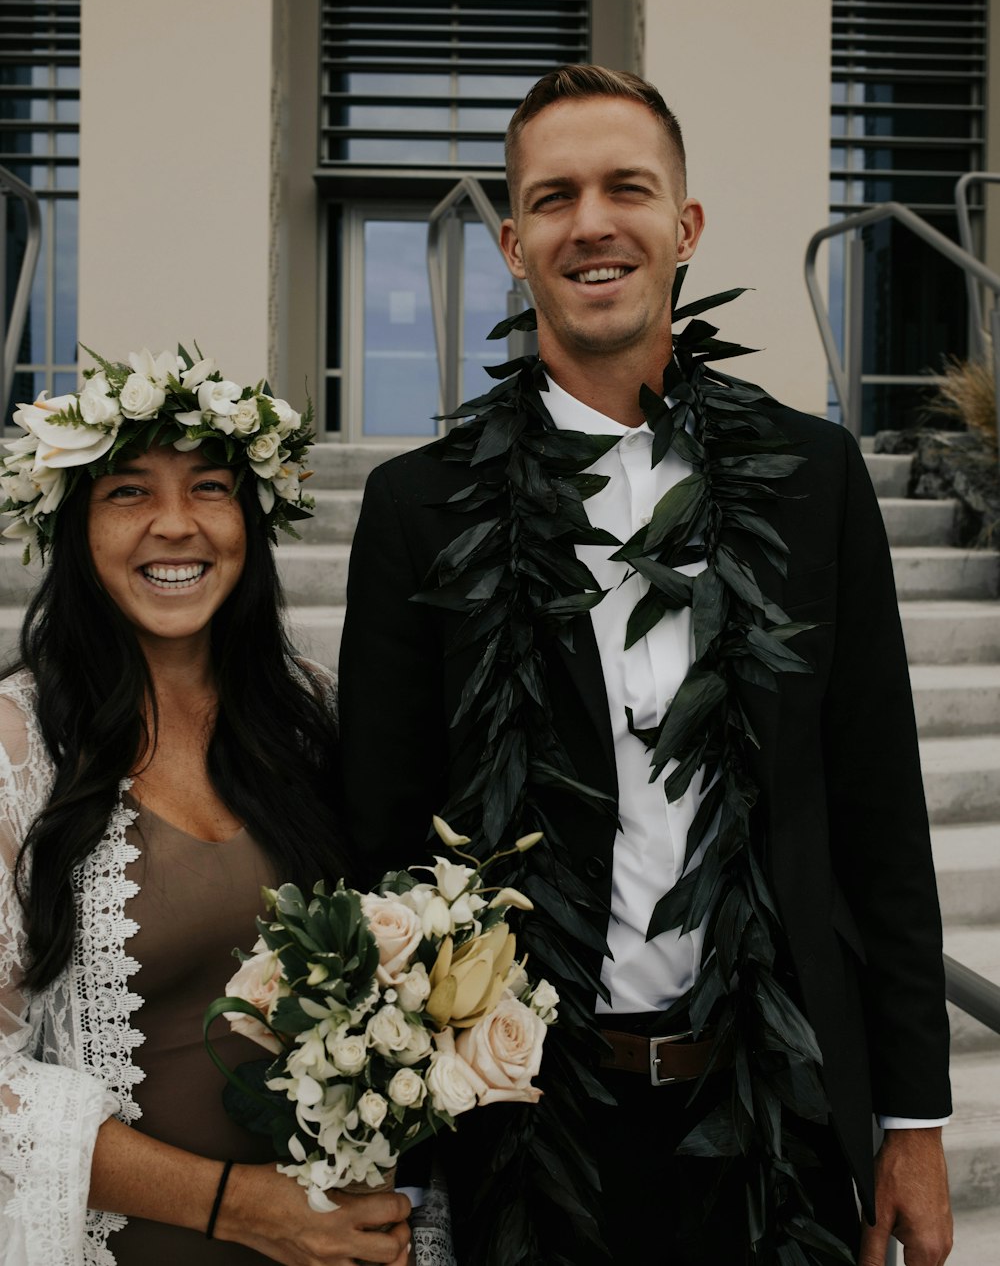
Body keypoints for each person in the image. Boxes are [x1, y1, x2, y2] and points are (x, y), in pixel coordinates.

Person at [339, 66, 954, 1265]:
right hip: (524, 1129)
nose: (593, 222)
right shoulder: (418, 508)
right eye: (555, 198)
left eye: (628, 187)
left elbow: (878, 811)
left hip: (776, 1112)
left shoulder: (815, 479)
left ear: (685, 226)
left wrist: (912, 1117)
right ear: (514, 247)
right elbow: (381, 838)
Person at [0, 350, 411, 1266]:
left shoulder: (319, 717)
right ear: (73, 526)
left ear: (250, 518)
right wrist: (243, 1209)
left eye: (211, 488)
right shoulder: (15, 749)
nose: (176, 526)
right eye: (128, 493)